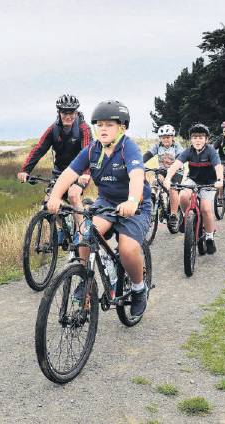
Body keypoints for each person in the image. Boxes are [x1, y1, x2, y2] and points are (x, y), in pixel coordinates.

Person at [46, 100, 151, 317]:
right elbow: (68, 173)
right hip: (106, 203)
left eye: (109, 125)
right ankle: (85, 280)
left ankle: (139, 288)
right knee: (85, 235)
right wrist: (55, 196)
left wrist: (132, 201)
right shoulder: (92, 149)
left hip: (135, 205)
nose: (103, 129)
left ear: (122, 127)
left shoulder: (128, 148)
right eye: (100, 125)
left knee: (127, 249)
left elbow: (137, 176)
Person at [17, 94, 92, 243]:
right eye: (65, 113)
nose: (68, 116)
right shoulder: (53, 129)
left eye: (71, 113)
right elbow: (39, 149)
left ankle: (81, 232)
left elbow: (88, 152)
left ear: (76, 113)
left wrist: (85, 173)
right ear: (59, 113)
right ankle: (62, 229)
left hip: (79, 172)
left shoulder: (83, 128)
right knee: (48, 201)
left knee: (73, 195)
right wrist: (25, 170)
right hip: (60, 171)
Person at [163, 123, 223, 254]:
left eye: (201, 137)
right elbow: (175, 165)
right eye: (195, 137)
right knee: (183, 196)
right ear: (191, 139)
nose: (198, 140)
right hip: (193, 180)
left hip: (209, 183)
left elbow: (218, 166)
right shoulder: (188, 151)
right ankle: (188, 218)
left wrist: (220, 180)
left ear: (206, 140)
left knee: (205, 208)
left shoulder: (211, 151)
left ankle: (209, 237)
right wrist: (168, 178)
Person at [143, 124, 184, 231]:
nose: (165, 139)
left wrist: (173, 171)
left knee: (172, 189)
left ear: (172, 137)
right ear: (160, 138)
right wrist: (139, 164)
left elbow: (181, 158)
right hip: (162, 171)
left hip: (176, 171)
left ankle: (174, 215)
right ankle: (155, 200)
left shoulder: (177, 146)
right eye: (163, 137)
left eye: (168, 137)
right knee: (155, 183)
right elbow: (147, 155)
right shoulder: (158, 146)